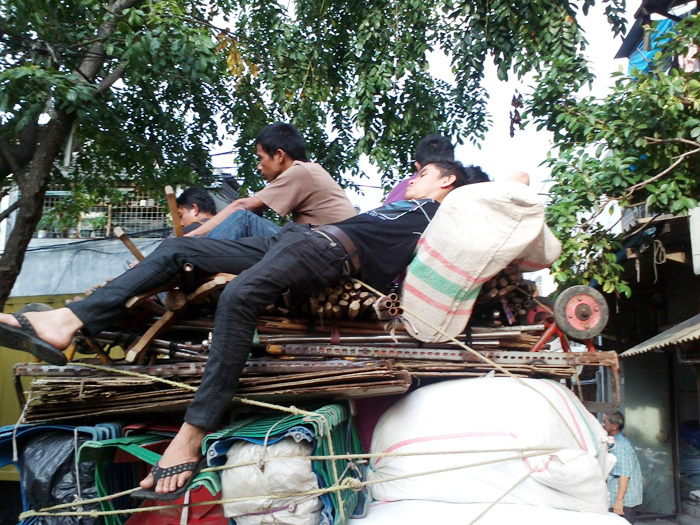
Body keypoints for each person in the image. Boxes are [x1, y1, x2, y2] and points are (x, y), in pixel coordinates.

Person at [0, 160, 489, 499]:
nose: (411, 180)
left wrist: (468, 190)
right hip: (296, 240)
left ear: (447, 181)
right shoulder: (405, 205)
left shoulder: (443, 215)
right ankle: (66, 321)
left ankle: (193, 432)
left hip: (327, 252)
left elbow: (508, 196)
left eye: (422, 174)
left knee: (239, 297)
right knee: (178, 251)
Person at [190, 122, 356, 239]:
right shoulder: (309, 171)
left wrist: (188, 238)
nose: (259, 167)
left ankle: (184, 253)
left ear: (279, 155)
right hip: (325, 245)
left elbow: (242, 206)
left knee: (243, 219)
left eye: (260, 158)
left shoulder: (300, 171)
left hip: (325, 249)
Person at [384, 134, 455, 205]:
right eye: (423, 175)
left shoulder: (399, 190)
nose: (411, 182)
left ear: (417, 165)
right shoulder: (460, 188)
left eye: (423, 175)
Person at [604, 411, 643, 523]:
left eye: (606, 422)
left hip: (623, 501)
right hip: (619, 497)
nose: (604, 425)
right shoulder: (616, 442)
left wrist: (619, 501)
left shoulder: (620, 445)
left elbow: (624, 475)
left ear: (614, 426)